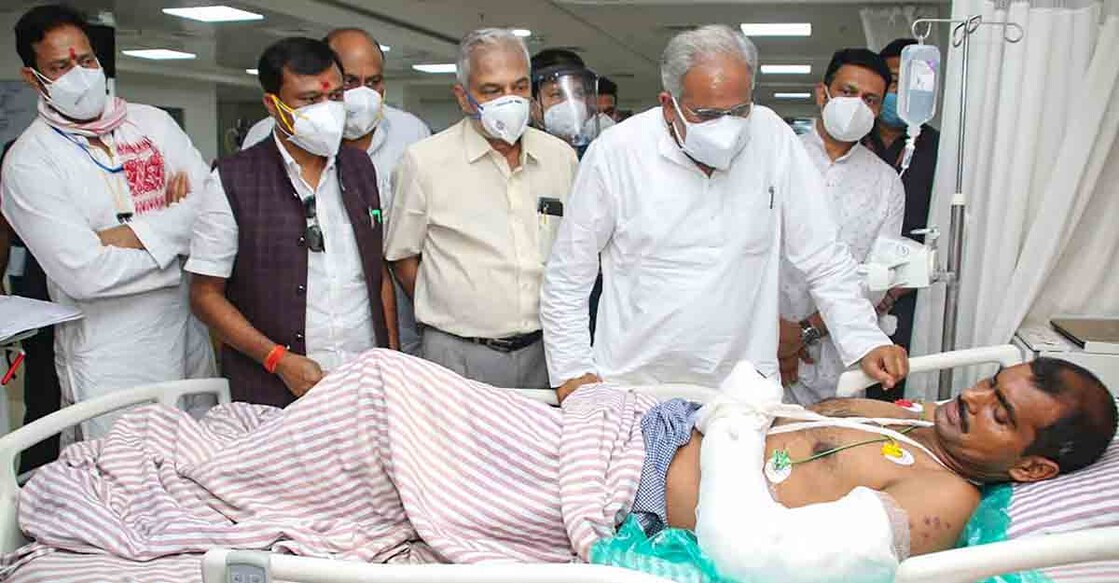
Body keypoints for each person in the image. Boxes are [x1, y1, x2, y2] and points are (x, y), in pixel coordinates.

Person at [10, 350, 1115, 582]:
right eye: (990, 380)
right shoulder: (916, 427)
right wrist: (739, 406)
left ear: (1030, 471)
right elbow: (787, 411)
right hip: (618, 426)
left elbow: (756, 550)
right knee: (380, 394)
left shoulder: (938, 497)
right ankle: (239, 461)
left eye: (1000, 412)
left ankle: (209, 484)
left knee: (385, 388)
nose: (972, 398)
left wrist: (735, 419)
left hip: (605, 488)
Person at [541, 25, 908, 400]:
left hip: (743, 387)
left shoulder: (772, 138)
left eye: (739, 111)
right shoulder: (617, 152)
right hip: (636, 381)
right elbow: (569, 273)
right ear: (668, 104)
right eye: (707, 114)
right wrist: (572, 370)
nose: (727, 128)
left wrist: (865, 341)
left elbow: (823, 257)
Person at [1, 4, 216, 439]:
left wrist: (125, 237)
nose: (79, 75)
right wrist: (176, 252)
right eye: (59, 67)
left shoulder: (153, 124)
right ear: (33, 78)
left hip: (186, 337)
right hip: (110, 353)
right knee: (121, 470)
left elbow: (210, 212)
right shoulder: (30, 161)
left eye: (85, 60)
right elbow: (86, 275)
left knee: (204, 458)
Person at [187, 37, 397, 407]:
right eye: (309, 99)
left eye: (335, 97)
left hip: (362, 381)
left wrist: (392, 361)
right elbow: (205, 296)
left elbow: (375, 274)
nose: (327, 110)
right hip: (275, 387)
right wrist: (277, 359)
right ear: (273, 105)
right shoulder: (234, 180)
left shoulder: (360, 169)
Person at [386, 28, 579, 389]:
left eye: (519, 87)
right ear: (463, 97)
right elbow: (402, 258)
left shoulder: (560, 158)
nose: (509, 100)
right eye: (492, 90)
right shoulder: (424, 163)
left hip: (545, 350)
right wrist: (455, 308)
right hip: (457, 353)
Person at [241, 29, 431, 357]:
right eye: (351, 82)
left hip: (394, 325)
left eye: (374, 82)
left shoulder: (411, 133)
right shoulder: (265, 140)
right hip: (295, 335)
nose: (362, 95)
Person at [778, 49, 905, 405]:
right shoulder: (779, 161)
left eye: (870, 99)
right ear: (823, 94)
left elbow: (876, 278)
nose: (857, 105)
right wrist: (774, 334)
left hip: (835, 353)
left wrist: (804, 332)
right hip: (760, 342)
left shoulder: (886, 183)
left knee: (827, 434)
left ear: (877, 110)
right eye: (847, 92)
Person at [864, 37, 942, 372]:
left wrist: (892, 292)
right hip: (850, 286)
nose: (900, 92)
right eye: (893, 81)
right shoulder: (852, 143)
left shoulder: (940, 149)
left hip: (910, 293)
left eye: (910, 83)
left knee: (895, 375)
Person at [1, 141, 63, 471]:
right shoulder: (21, 156)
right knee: (44, 394)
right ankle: (35, 475)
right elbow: (3, 226)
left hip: (77, 292)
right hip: (38, 294)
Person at [529, 47, 610, 154]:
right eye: (556, 94)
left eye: (578, 93)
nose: (571, 103)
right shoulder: (520, 157)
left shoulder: (595, 155)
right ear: (533, 105)